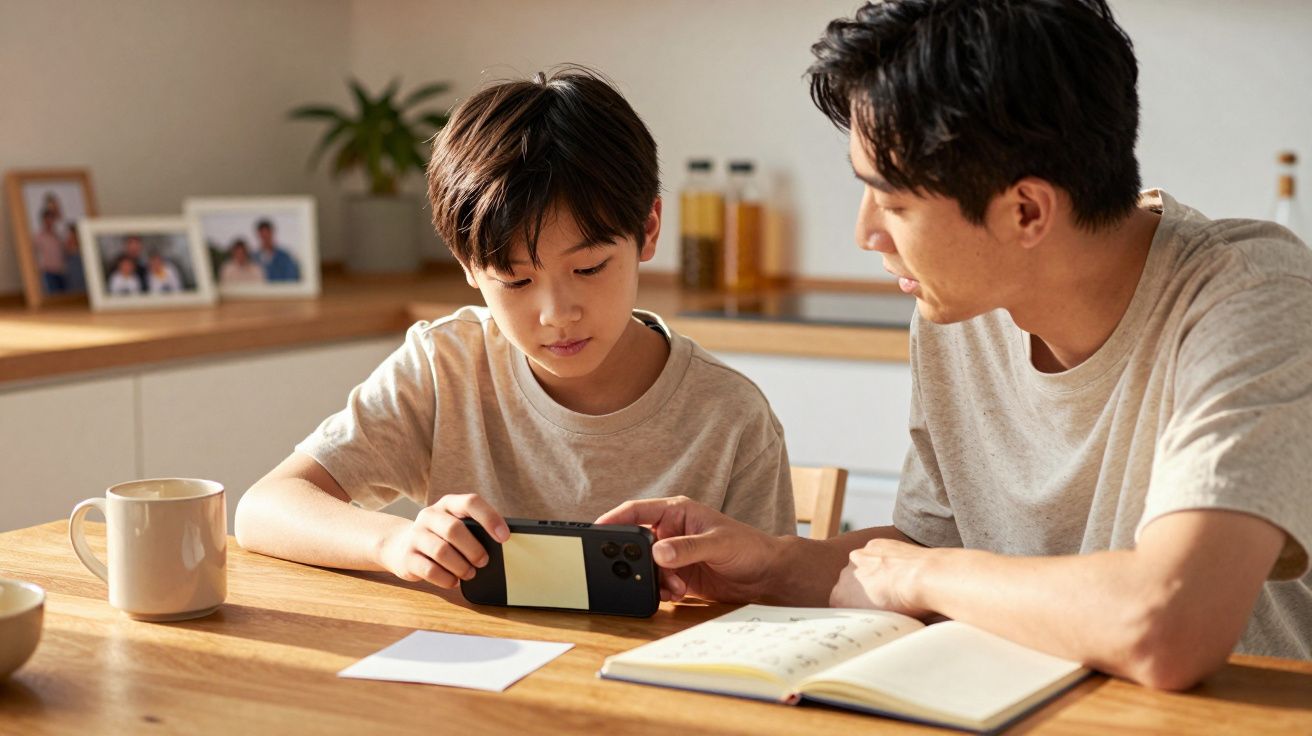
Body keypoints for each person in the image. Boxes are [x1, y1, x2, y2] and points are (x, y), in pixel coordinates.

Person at [599, 0, 1311, 691]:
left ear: (1025, 211)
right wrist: (772, 563)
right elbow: (926, 550)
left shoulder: (1252, 297)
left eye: (894, 202)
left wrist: (925, 576)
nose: (865, 233)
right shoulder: (960, 306)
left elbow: (1170, 626)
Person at [234, 68, 795, 592]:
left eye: (589, 268)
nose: (557, 314)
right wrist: (394, 542)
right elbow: (266, 507)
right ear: (468, 266)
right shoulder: (444, 367)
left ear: (647, 229)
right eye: (516, 280)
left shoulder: (730, 416)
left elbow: (776, 601)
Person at [32, 207, 67, 292]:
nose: (49, 222)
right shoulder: (39, 237)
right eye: (47, 220)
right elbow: (34, 254)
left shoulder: (58, 236)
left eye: (51, 219)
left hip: (61, 272)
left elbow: (64, 252)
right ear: (43, 221)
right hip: (48, 272)